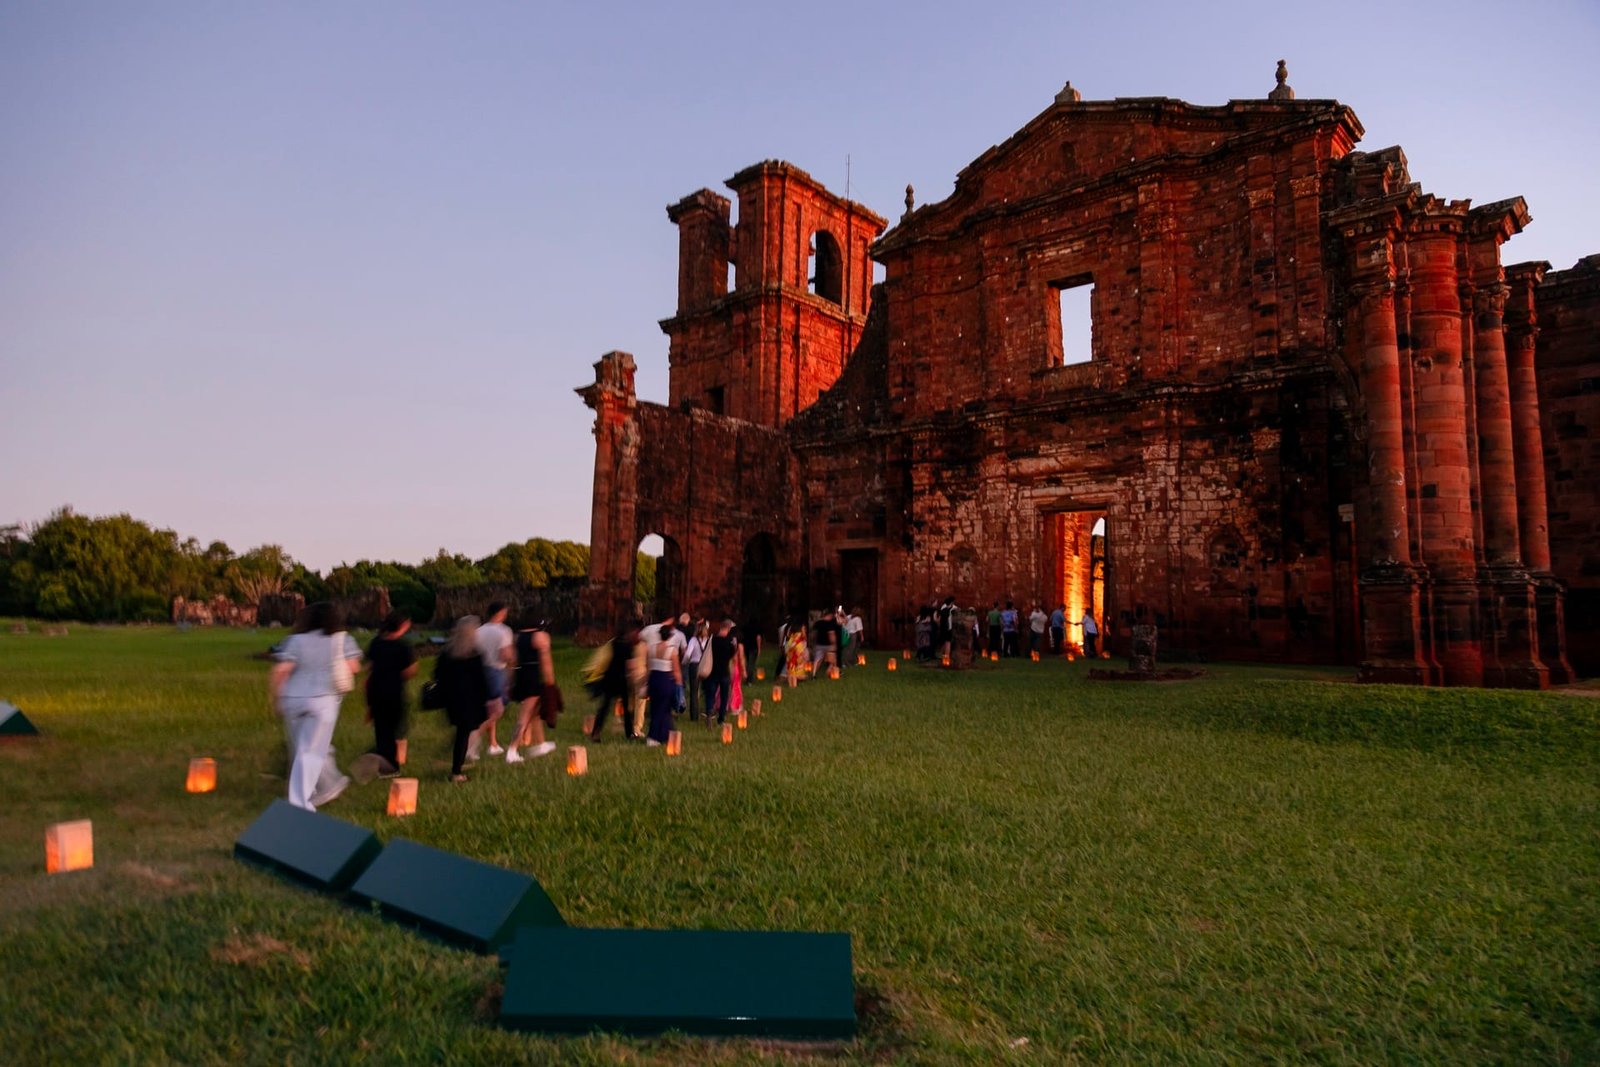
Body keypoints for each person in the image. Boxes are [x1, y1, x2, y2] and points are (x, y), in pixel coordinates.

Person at [269, 601, 361, 810]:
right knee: (311, 751)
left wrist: (277, 697)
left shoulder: (295, 641)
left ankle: (325, 786)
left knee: (302, 748)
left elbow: (282, 670)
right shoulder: (342, 640)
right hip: (323, 700)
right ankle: (305, 799)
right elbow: (354, 667)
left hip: (293, 698)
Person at [433, 615, 491, 782]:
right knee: (463, 734)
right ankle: (456, 771)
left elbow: (437, 675)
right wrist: (486, 698)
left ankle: (456, 760)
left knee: (462, 732)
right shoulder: (474, 654)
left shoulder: (447, 653)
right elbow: (481, 680)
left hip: (451, 699)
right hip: (469, 701)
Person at [362, 610, 417, 776]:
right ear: (402, 626)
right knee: (395, 729)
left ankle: (382, 759)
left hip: (376, 690)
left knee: (381, 729)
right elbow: (411, 671)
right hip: (394, 691)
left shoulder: (376, 643)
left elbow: (369, 667)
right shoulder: (403, 646)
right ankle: (389, 766)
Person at [506, 611, 557, 763]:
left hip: (521, 676)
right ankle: (512, 750)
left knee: (535, 713)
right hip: (533, 678)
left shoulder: (517, 637)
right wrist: (550, 684)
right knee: (525, 715)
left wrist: (510, 682)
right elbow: (546, 662)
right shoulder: (540, 637)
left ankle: (540, 744)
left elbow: (512, 661)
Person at [468, 601, 514, 761]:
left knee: (488, 707)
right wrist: (512, 663)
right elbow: (505, 655)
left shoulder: (478, 631)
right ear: (500, 613)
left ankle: (493, 744)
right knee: (496, 710)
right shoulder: (504, 631)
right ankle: (471, 741)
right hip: (496, 671)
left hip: (480, 671)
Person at [589, 618, 643, 742]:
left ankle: (596, 732)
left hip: (610, 677)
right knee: (626, 708)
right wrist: (632, 679)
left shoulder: (614, 643)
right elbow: (630, 665)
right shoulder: (628, 646)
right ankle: (629, 733)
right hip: (622, 679)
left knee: (604, 707)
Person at [644, 619, 681, 746]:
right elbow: (676, 671)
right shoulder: (672, 651)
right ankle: (654, 736)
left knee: (655, 708)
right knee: (664, 709)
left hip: (654, 678)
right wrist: (679, 685)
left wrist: (646, 682)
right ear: (670, 636)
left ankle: (663, 734)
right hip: (665, 680)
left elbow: (648, 667)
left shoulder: (651, 648)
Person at [702, 618, 736, 725]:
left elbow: (705, 652)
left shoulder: (712, 640)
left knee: (710, 694)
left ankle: (709, 712)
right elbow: (731, 654)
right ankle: (721, 718)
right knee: (724, 696)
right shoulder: (729, 642)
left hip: (712, 671)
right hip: (724, 672)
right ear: (728, 628)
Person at [683, 620, 711, 720]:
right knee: (708, 690)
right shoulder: (709, 641)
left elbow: (687, 654)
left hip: (694, 665)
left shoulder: (693, 640)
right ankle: (708, 711)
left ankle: (694, 716)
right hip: (706, 666)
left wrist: (684, 663)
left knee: (694, 691)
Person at [783, 616, 810, 681]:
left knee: (791, 665)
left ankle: (791, 677)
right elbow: (803, 637)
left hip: (791, 647)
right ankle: (796, 677)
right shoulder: (800, 633)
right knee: (797, 664)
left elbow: (788, 637)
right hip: (797, 648)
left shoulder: (791, 630)